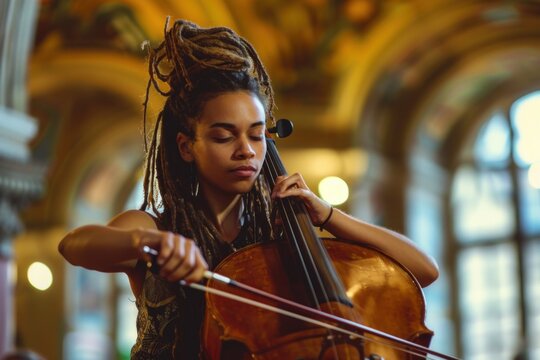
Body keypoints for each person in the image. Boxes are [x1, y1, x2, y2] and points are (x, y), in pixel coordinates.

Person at [58, 18, 439, 359]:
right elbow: (75, 246)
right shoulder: (156, 230)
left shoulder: (283, 241)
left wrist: (328, 215)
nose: (247, 151)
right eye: (225, 136)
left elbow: (422, 270)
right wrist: (147, 242)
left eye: (257, 136)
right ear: (186, 146)